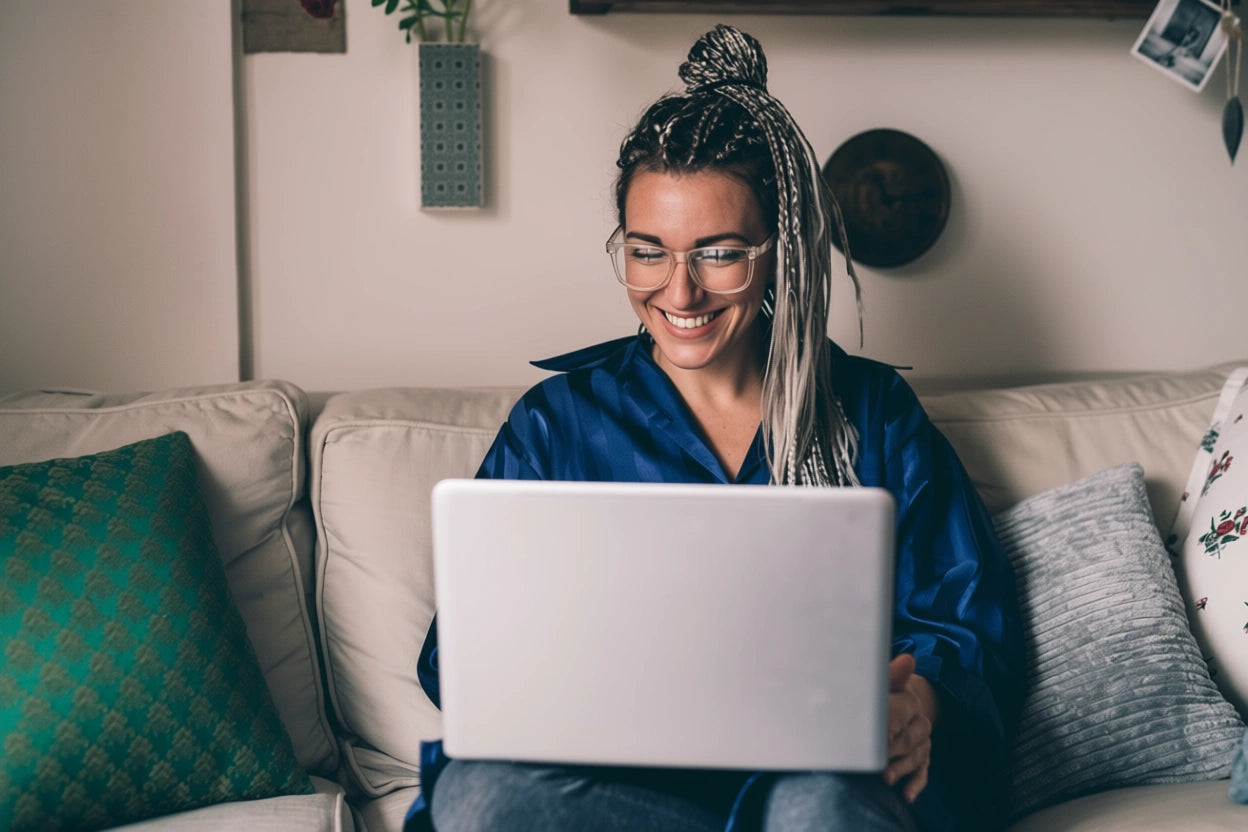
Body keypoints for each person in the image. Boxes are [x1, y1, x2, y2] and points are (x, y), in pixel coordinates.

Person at [405, 24, 1024, 832]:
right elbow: (461, 651)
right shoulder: (557, 424)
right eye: (647, 251)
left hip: (817, 780)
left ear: (780, 253)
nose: (680, 292)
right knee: (482, 799)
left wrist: (920, 706)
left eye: (719, 253)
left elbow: (967, 621)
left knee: (819, 809)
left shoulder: (871, 413)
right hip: (621, 787)